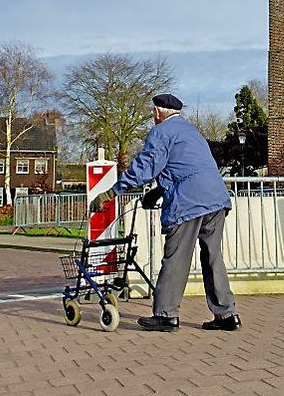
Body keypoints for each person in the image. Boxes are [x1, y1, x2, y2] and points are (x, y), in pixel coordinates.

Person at [94, 93, 240, 332]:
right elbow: (185, 167)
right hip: (216, 199)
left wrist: (113, 192)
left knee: (176, 258)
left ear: (158, 113)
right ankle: (227, 314)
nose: (153, 116)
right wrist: (158, 191)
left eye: (153, 112)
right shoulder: (193, 133)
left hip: (189, 203)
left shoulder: (161, 132)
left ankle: (165, 314)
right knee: (213, 256)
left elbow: (146, 167)